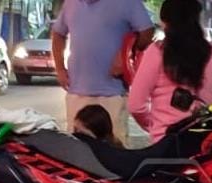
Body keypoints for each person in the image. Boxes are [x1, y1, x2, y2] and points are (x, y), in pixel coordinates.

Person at [127, 0, 212, 143]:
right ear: (196, 19)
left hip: (165, 142)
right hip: (203, 140)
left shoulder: (156, 52)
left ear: (165, 22)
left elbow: (136, 105)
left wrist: (152, 126)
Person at [51, 0, 154, 143]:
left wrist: (125, 54)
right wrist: (60, 69)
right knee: (78, 148)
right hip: (77, 93)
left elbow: (147, 31)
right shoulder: (71, 3)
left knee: (113, 147)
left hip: (113, 94)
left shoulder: (128, 2)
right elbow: (58, 34)